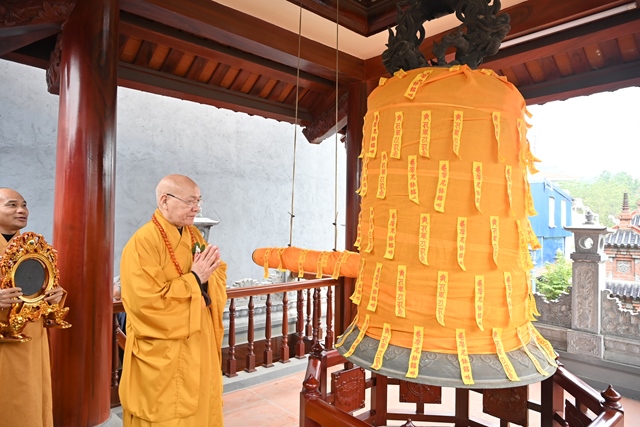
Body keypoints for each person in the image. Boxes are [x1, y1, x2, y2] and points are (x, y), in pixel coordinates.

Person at [119, 174, 227, 427]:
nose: (196, 208)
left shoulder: (194, 236)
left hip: (198, 341)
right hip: (163, 350)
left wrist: (209, 275)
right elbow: (145, 304)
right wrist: (195, 279)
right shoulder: (143, 243)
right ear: (164, 200)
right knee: (166, 413)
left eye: (198, 201)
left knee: (201, 406)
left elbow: (215, 272)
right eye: (190, 201)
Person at [0, 187, 65, 427]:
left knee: (33, 400)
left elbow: (44, 287)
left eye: (24, 205)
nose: (22, 210)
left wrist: (56, 296)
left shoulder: (32, 249)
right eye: (12, 204)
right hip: (4, 343)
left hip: (33, 338)